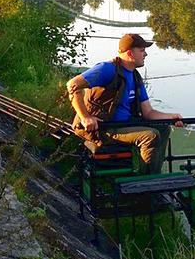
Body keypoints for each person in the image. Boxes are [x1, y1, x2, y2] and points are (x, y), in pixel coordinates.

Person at [67, 33, 183, 174]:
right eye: (141, 50)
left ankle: (153, 174)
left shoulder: (135, 76)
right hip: (103, 127)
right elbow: (72, 85)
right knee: (149, 136)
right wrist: (85, 117)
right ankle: (145, 183)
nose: (145, 54)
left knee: (163, 128)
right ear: (130, 53)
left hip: (123, 125)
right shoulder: (107, 69)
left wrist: (172, 117)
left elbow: (148, 113)